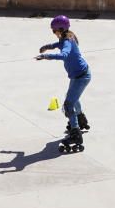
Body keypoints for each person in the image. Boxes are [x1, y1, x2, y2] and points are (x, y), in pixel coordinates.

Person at [36, 15, 91, 153]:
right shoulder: (66, 38)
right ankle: (81, 119)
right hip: (79, 75)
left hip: (81, 77)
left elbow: (64, 54)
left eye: (54, 31)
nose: (53, 33)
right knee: (73, 98)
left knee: (68, 105)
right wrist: (47, 47)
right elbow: (57, 45)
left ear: (60, 29)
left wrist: (46, 56)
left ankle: (75, 134)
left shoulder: (68, 41)